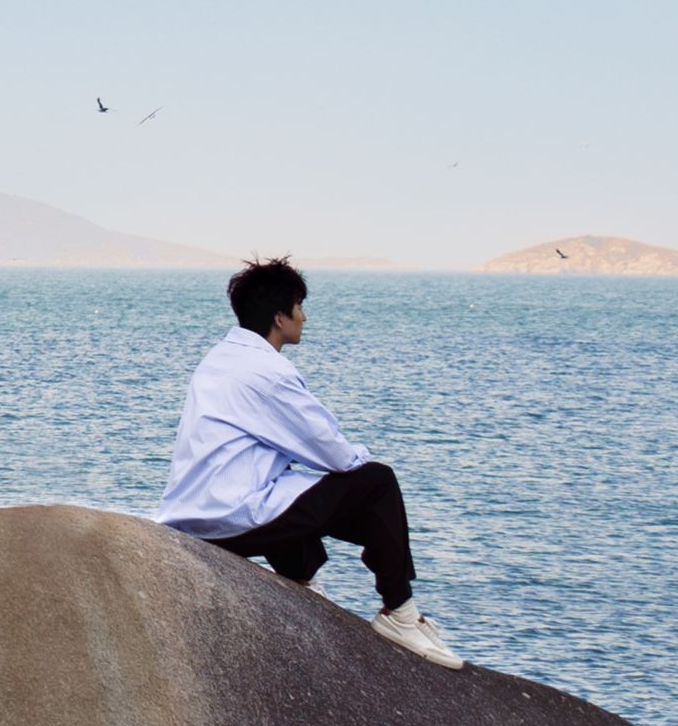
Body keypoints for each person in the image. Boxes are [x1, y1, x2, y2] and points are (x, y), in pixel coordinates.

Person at [157, 257, 464, 668]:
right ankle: (400, 613)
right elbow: (332, 451)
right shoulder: (268, 372)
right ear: (280, 317)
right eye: (299, 306)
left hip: (189, 515)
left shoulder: (218, 359)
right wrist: (360, 467)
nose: (304, 316)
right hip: (229, 519)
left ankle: (300, 584)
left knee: (290, 484)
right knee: (377, 483)